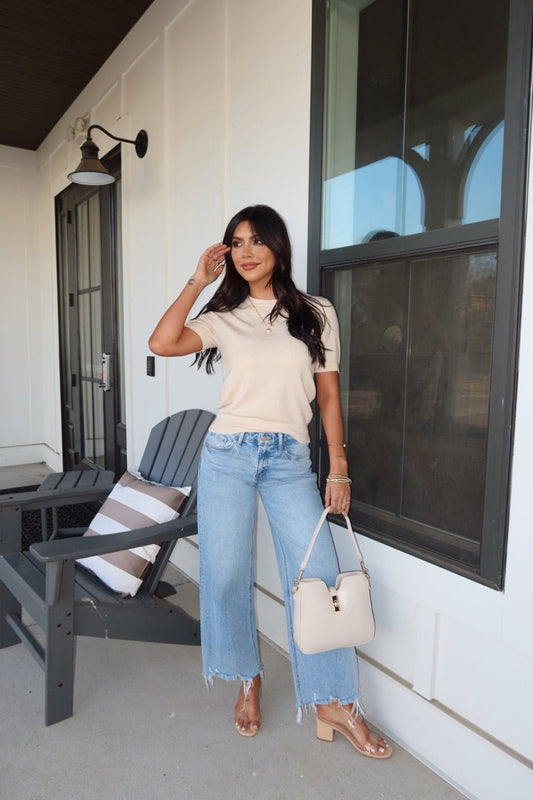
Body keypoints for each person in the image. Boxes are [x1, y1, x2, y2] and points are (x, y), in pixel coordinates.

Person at [149, 205, 391, 759]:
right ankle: (246, 676)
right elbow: (162, 344)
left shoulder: (315, 312)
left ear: (278, 246)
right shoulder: (223, 314)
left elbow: (327, 395)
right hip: (228, 454)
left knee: (320, 574)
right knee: (227, 572)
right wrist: (197, 280)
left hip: (289, 458)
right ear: (226, 253)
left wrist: (338, 466)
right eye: (236, 243)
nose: (247, 251)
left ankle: (331, 699)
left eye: (257, 240)